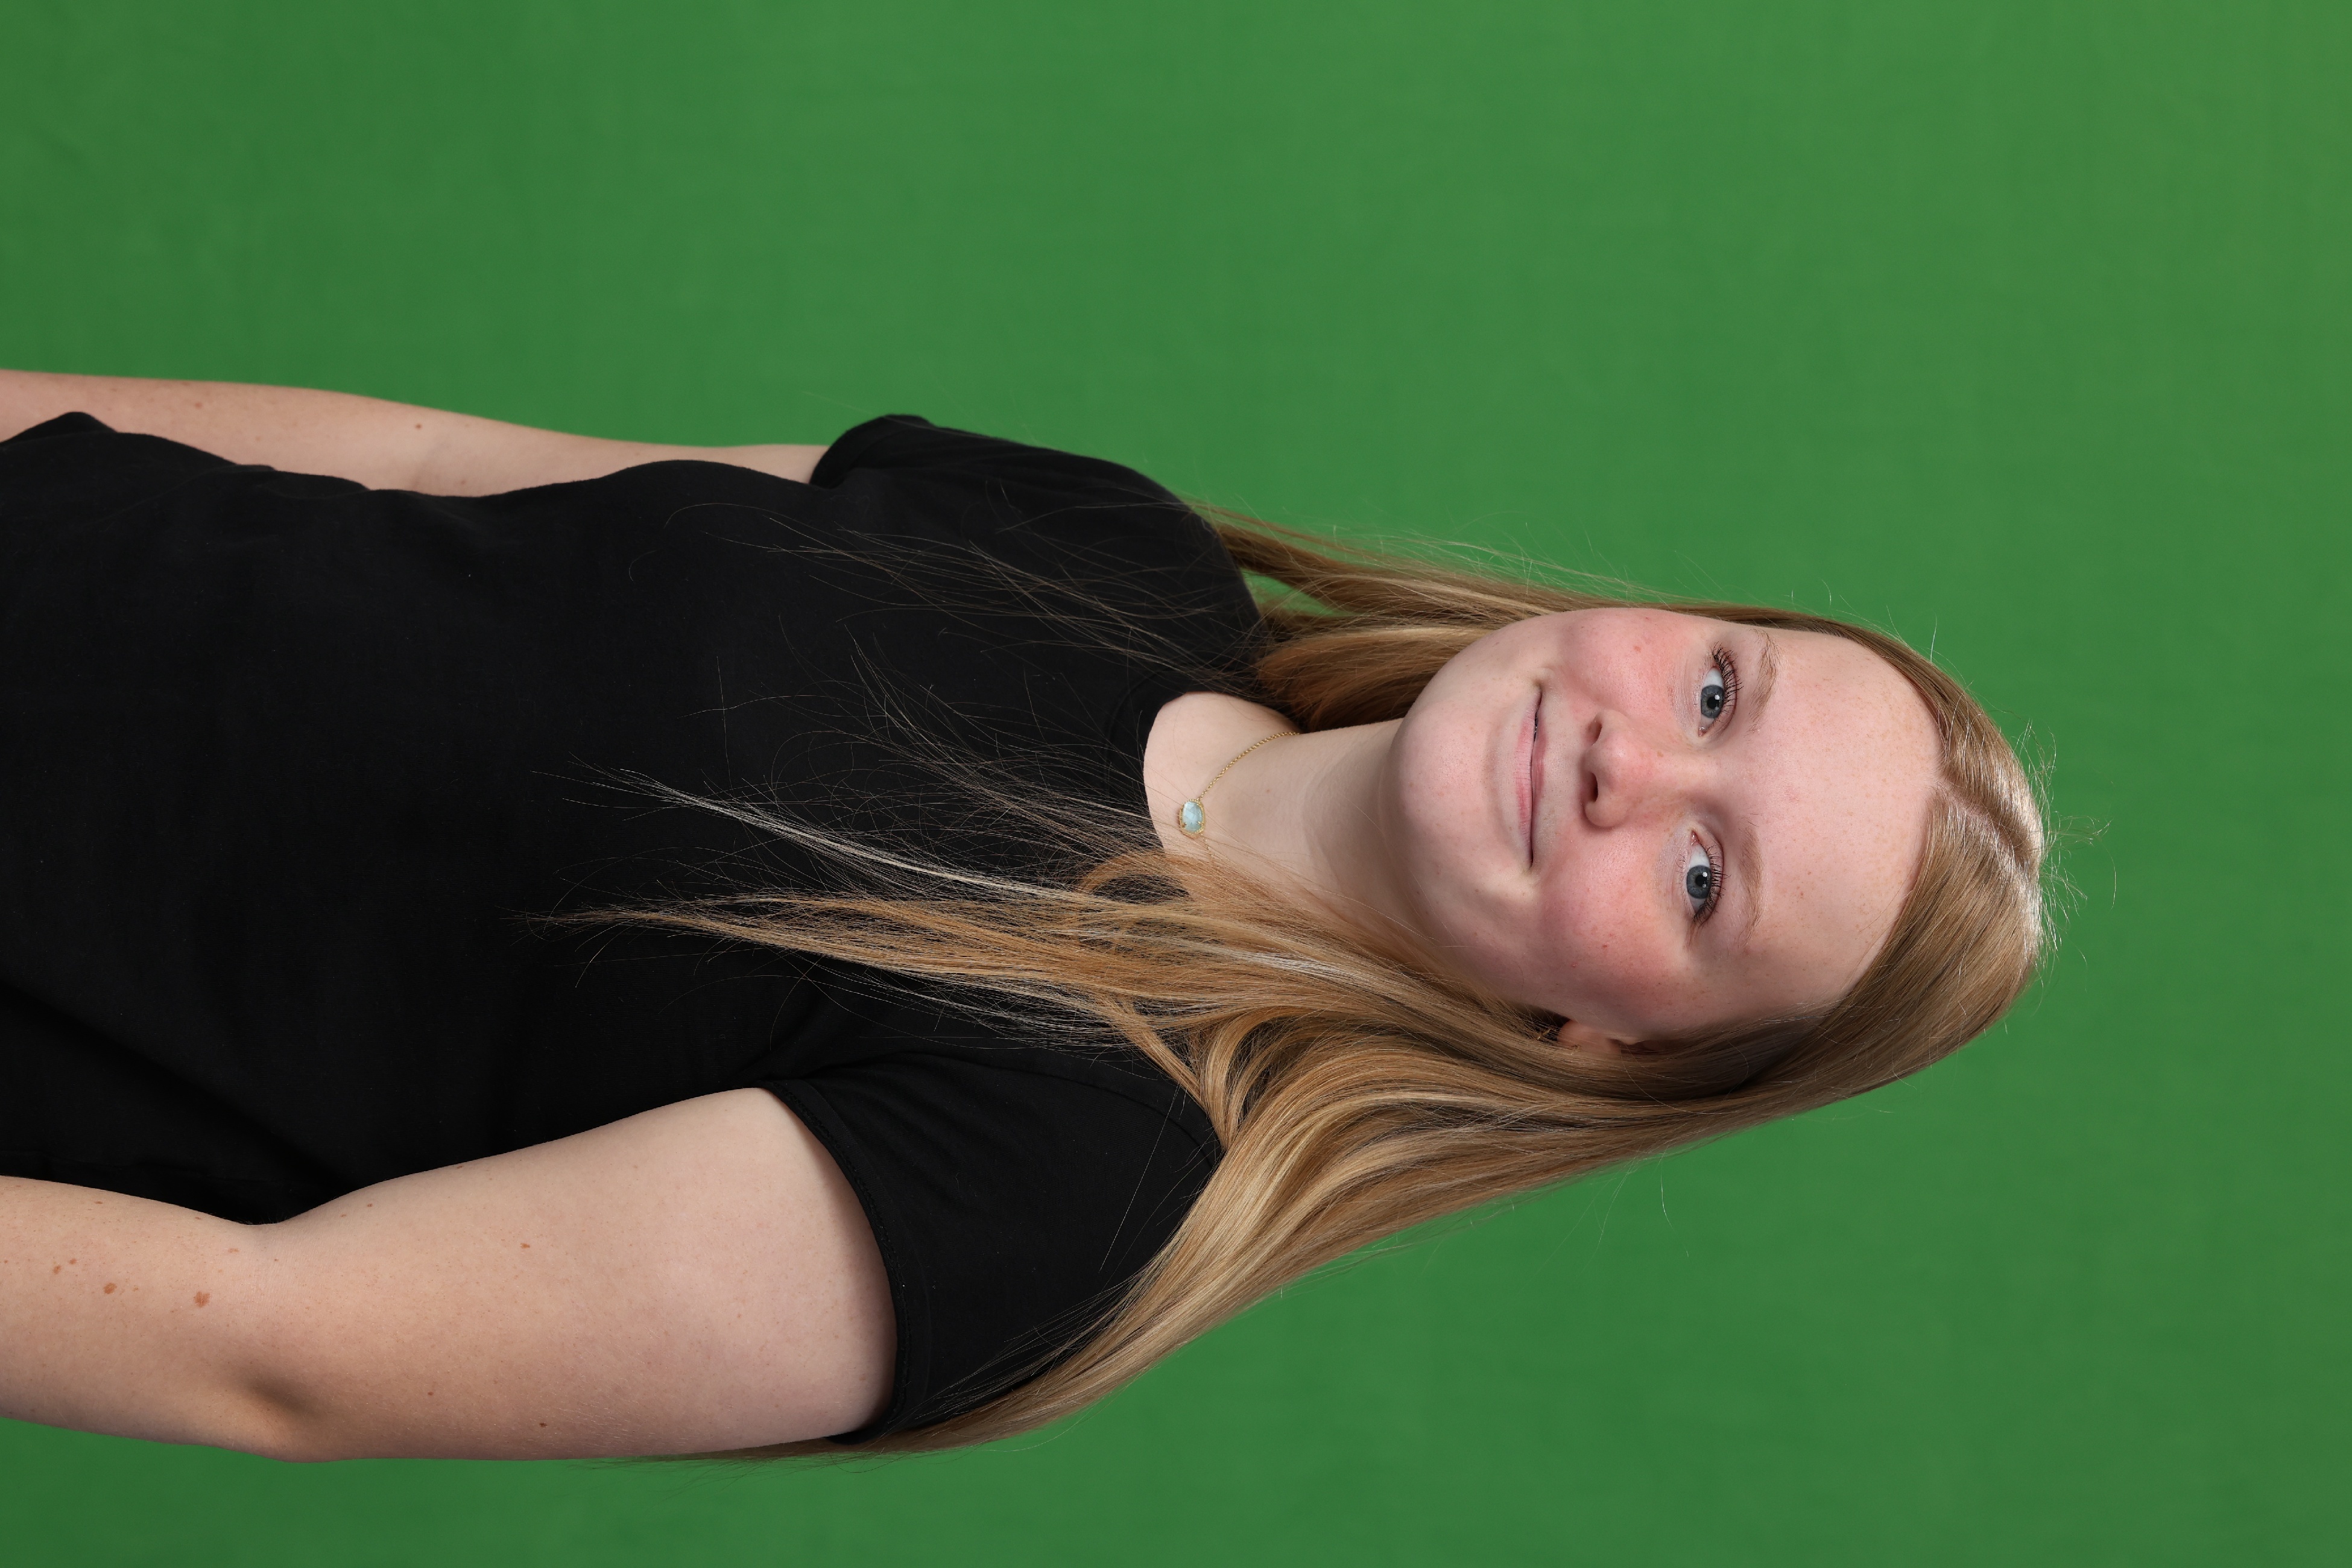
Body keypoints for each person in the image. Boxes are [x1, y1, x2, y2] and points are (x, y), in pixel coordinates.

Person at [0, 370, 2047, 1461]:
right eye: (1717, 694)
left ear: (1610, 1049)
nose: (1631, 766)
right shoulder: (1104, 540)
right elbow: (433, 463)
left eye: (1700, 878)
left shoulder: (1071, 1191)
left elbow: (272, 1350)